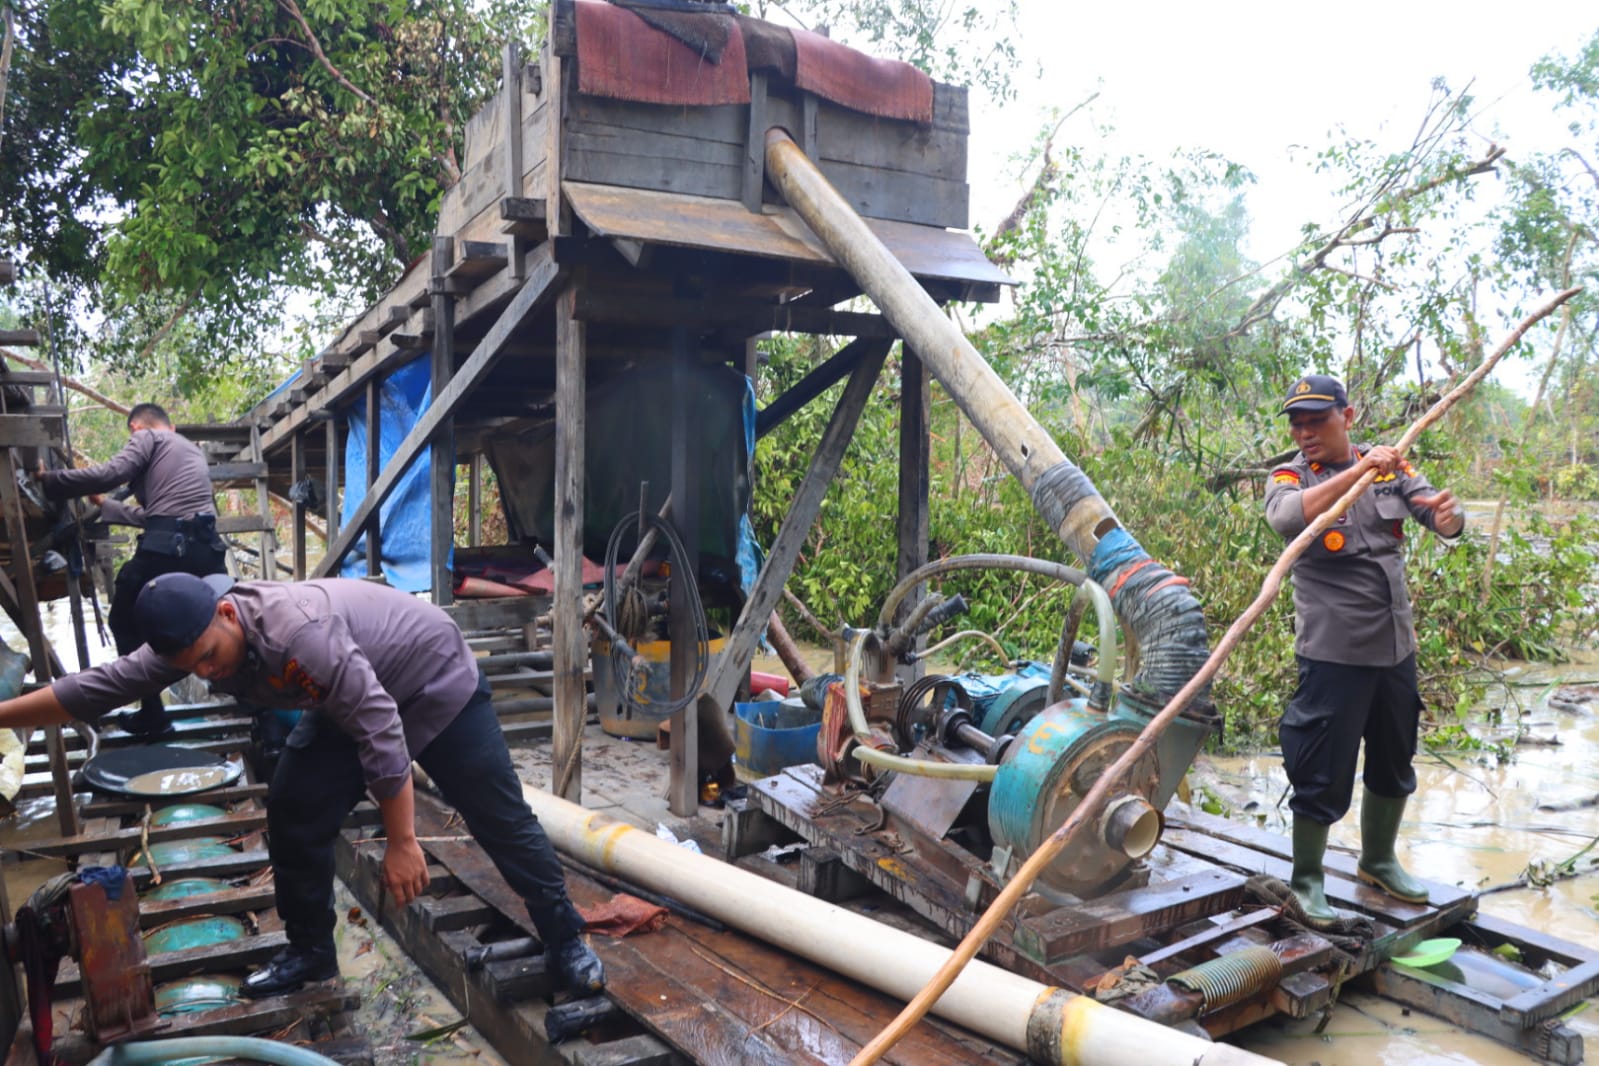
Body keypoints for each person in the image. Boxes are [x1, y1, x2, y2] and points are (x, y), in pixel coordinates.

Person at [0, 573, 607, 1000]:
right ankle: (311, 953)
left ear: (229, 613)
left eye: (210, 656)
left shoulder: (299, 635)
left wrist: (402, 839)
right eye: (192, 667)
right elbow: (92, 689)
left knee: (498, 817)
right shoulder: (186, 644)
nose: (207, 672)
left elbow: (381, 727)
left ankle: (565, 939)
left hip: (434, 680)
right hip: (353, 699)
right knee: (292, 806)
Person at [1264, 374, 1465, 927]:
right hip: (1333, 653)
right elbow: (1286, 517)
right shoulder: (1290, 477)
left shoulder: (1390, 468)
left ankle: (1377, 861)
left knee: (1395, 758)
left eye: (1316, 420)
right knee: (1322, 768)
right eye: (1297, 423)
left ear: (1346, 417)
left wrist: (1450, 520)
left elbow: (1432, 508)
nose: (1304, 432)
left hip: (1395, 648)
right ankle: (1306, 881)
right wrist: (1358, 471)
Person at [37, 403, 227, 738]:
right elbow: (157, 517)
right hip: (207, 551)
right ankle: (263, 719)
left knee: (125, 621)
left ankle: (153, 714)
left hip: (170, 551)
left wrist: (50, 481)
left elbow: (111, 473)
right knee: (220, 622)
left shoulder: (148, 437)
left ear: (137, 428)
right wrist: (106, 505)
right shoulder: (190, 453)